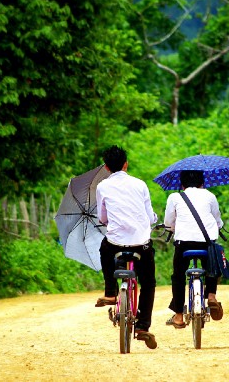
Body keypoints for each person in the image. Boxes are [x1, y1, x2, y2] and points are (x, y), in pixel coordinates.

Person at [95, 145, 159, 349]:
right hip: (141, 243)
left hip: (115, 243)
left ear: (106, 167)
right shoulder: (140, 184)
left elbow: (102, 217)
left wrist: (109, 221)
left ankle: (110, 292)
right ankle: (143, 326)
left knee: (104, 248)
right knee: (148, 283)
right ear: (126, 164)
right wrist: (154, 219)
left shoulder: (102, 186)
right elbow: (149, 217)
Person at [162, 170, 225, 329]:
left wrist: (172, 229)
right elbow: (217, 219)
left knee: (178, 275)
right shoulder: (210, 196)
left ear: (182, 184)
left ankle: (178, 315)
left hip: (184, 243)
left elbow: (169, 222)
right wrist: (219, 226)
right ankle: (211, 296)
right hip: (206, 242)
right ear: (202, 183)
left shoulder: (175, 197)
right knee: (212, 267)